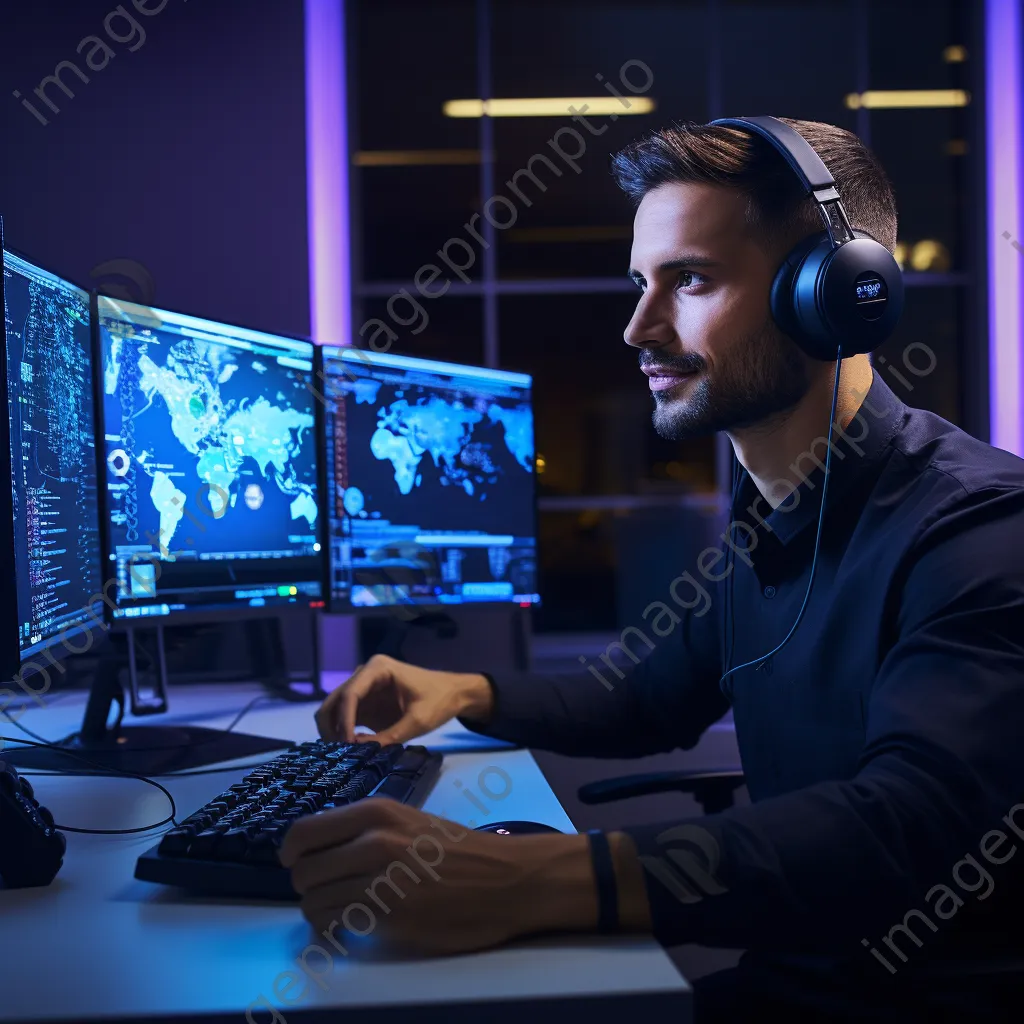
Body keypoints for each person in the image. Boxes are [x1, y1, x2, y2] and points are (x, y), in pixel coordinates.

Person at [280, 118, 1024, 1021]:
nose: (638, 327)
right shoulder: (776, 514)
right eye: (641, 283)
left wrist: (542, 877)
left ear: (836, 295)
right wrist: (463, 690)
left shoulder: (981, 527)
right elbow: (646, 700)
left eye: (693, 280)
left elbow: (905, 825)